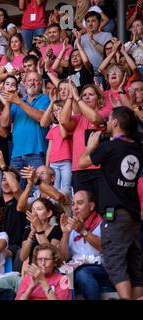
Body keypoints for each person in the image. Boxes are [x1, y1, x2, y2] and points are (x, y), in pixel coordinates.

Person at [79, 106, 143, 300]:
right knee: (134, 265)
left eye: (108, 120)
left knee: (115, 262)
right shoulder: (137, 146)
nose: (106, 123)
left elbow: (82, 163)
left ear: (115, 122)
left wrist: (91, 146)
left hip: (114, 215)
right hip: (132, 215)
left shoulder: (110, 147)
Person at [59, 190, 113, 300]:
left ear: (91, 206)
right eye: (73, 204)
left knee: (83, 273)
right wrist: (65, 234)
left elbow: (105, 247)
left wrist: (83, 231)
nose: (75, 208)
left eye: (79, 203)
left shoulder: (103, 223)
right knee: (57, 275)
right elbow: (64, 257)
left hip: (101, 268)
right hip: (74, 269)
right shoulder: (72, 227)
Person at [3, 71, 50, 184]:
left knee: (36, 190)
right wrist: (9, 102)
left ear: (40, 84)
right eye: (29, 80)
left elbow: (41, 117)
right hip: (16, 154)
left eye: (36, 80)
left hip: (36, 153)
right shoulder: (16, 102)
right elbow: (4, 123)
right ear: (24, 83)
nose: (32, 83)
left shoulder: (44, 99)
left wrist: (18, 101)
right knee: (16, 190)